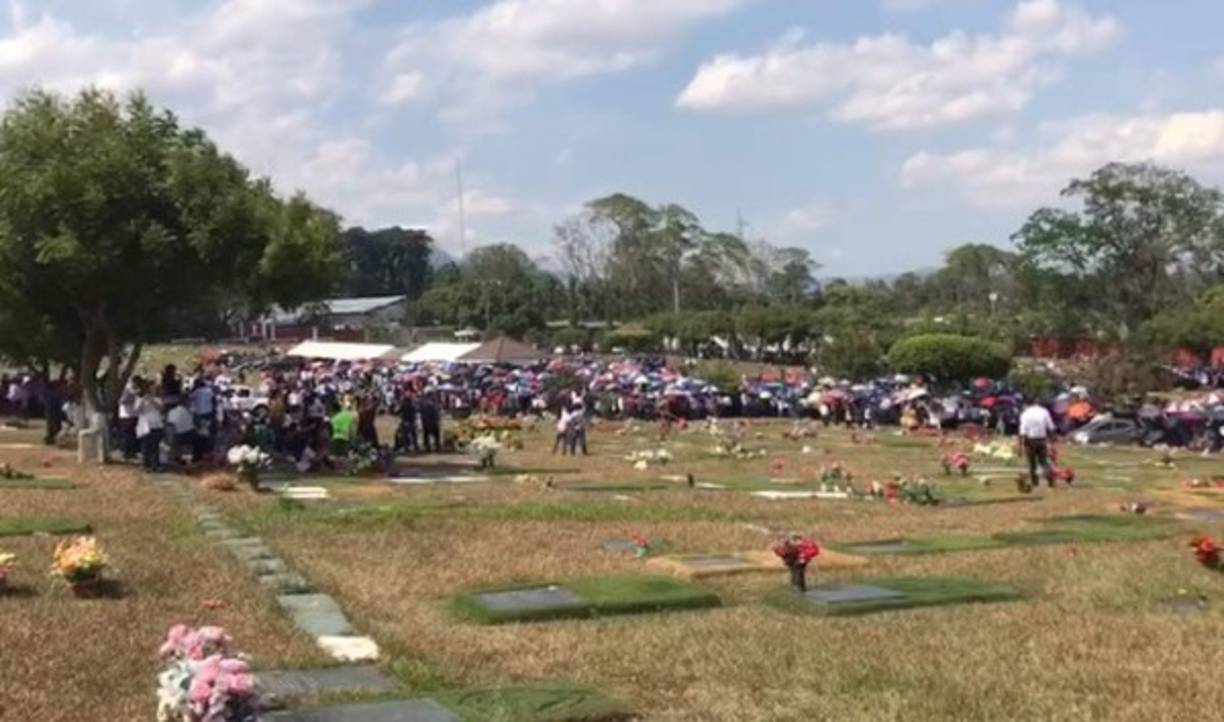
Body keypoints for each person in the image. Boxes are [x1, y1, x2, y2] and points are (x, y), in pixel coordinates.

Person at [1018, 399, 1058, 491]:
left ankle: (1035, 483)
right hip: (1042, 440)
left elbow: (1022, 431)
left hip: (1030, 440)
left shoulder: (1025, 414)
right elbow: (1051, 427)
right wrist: (1053, 440)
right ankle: (1050, 482)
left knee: (1032, 464)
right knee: (1044, 462)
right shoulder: (1044, 411)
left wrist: (1020, 445)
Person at [135, 385, 165, 472]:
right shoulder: (139, 399)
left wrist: (151, 400)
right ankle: (146, 465)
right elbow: (136, 410)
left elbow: (161, 408)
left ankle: (156, 465)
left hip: (156, 425)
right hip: (145, 425)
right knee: (145, 446)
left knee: (155, 446)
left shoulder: (158, 399)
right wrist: (142, 401)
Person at [166, 402, 196, 466]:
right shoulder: (189, 410)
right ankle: (187, 462)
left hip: (177, 432)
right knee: (187, 447)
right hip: (188, 431)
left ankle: (172, 460)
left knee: (175, 446)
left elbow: (170, 423)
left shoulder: (171, 412)